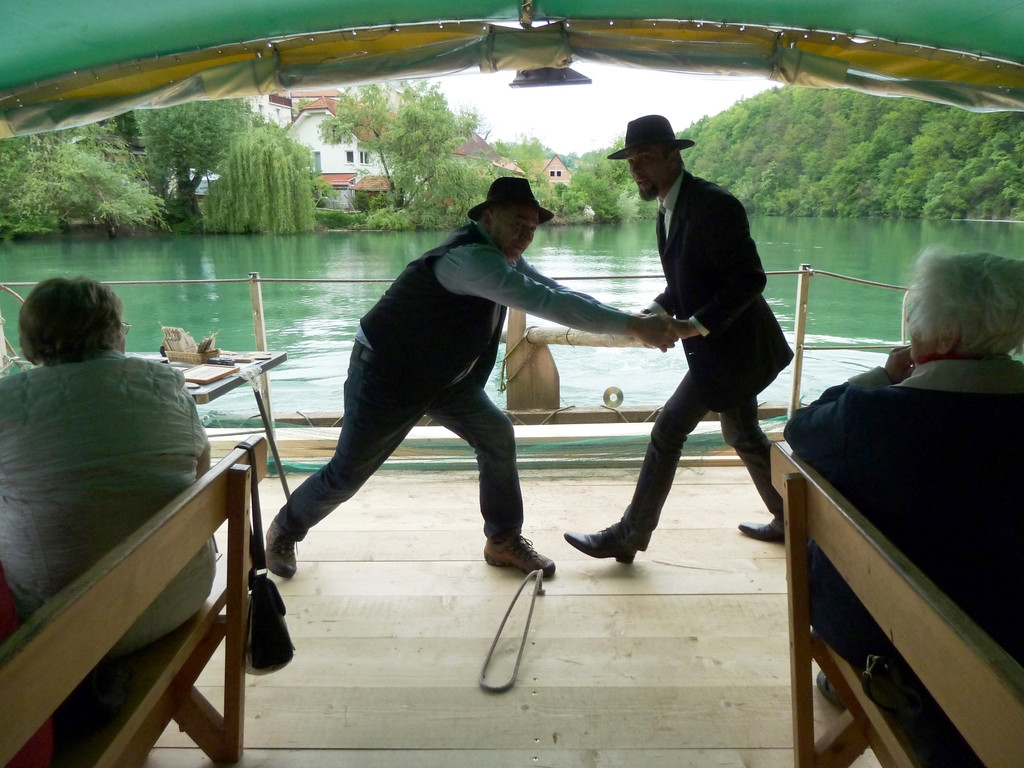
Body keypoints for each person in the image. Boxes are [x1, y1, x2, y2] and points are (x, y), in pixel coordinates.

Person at [265, 177, 682, 580]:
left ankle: (502, 540)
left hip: (444, 377)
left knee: (496, 435)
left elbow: (560, 292)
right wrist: (635, 327)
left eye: (532, 226)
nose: (526, 233)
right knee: (347, 473)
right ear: (487, 218)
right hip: (388, 373)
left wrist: (633, 319)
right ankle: (285, 529)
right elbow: (547, 303)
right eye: (517, 221)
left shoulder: (504, 258)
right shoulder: (471, 260)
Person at [784, 248, 1024, 768]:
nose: (910, 325)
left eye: (916, 314)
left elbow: (799, 430)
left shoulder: (872, 417)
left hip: (885, 640)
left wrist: (883, 376)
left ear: (946, 336)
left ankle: (852, 685)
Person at [564, 114, 793, 563]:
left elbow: (750, 280)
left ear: (674, 157)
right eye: (631, 160)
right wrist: (650, 312)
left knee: (668, 431)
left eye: (645, 157)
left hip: (736, 348)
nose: (636, 169)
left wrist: (692, 326)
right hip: (720, 348)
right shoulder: (668, 208)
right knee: (743, 433)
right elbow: (685, 283)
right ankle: (793, 517)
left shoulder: (714, 205)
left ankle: (629, 535)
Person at [0, 276, 215, 657]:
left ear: (30, 339)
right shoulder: (167, 385)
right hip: (181, 592)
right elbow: (201, 472)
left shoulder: (7, 403)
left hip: (61, 627)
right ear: (114, 332)